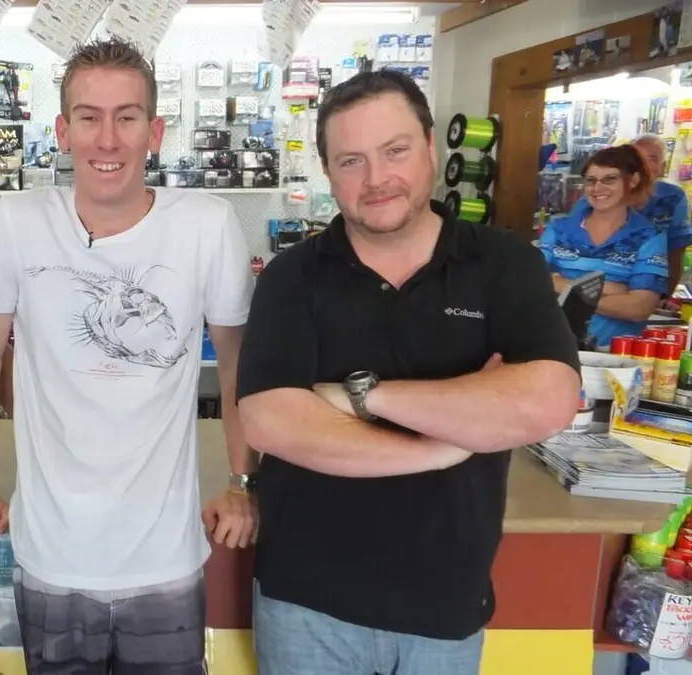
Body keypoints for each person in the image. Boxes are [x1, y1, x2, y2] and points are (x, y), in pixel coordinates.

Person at [236, 70, 581, 675]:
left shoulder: (504, 265)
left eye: (394, 151)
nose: (376, 179)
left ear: (430, 148)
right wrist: (445, 444)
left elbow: (547, 403)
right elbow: (271, 422)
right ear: (327, 172)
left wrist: (361, 397)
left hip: (445, 605)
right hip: (303, 605)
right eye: (351, 161)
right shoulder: (292, 277)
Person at [0, 36, 258, 674]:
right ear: (63, 131)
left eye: (127, 117)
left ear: (155, 132)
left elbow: (237, 367)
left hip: (167, 562)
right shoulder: (15, 223)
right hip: (51, 560)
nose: (108, 139)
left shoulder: (209, 225)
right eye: (89, 117)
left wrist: (241, 483)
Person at [538, 144, 668, 347]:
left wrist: (564, 286)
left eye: (610, 179)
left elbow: (638, 309)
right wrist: (612, 289)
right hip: (552, 349)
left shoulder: (649, 237)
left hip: (615, 355)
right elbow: (534, 283)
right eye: (591, 180)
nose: (597, 188)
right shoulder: (558, 228)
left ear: (633, 180)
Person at [571, 134, 689, 294]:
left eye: (652, 159)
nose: (643, 165)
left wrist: (665, 296)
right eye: (637, 158)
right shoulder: (598, 195)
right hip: (596, 282)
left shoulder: (673, 197)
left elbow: (676, 251)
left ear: (662, 167)